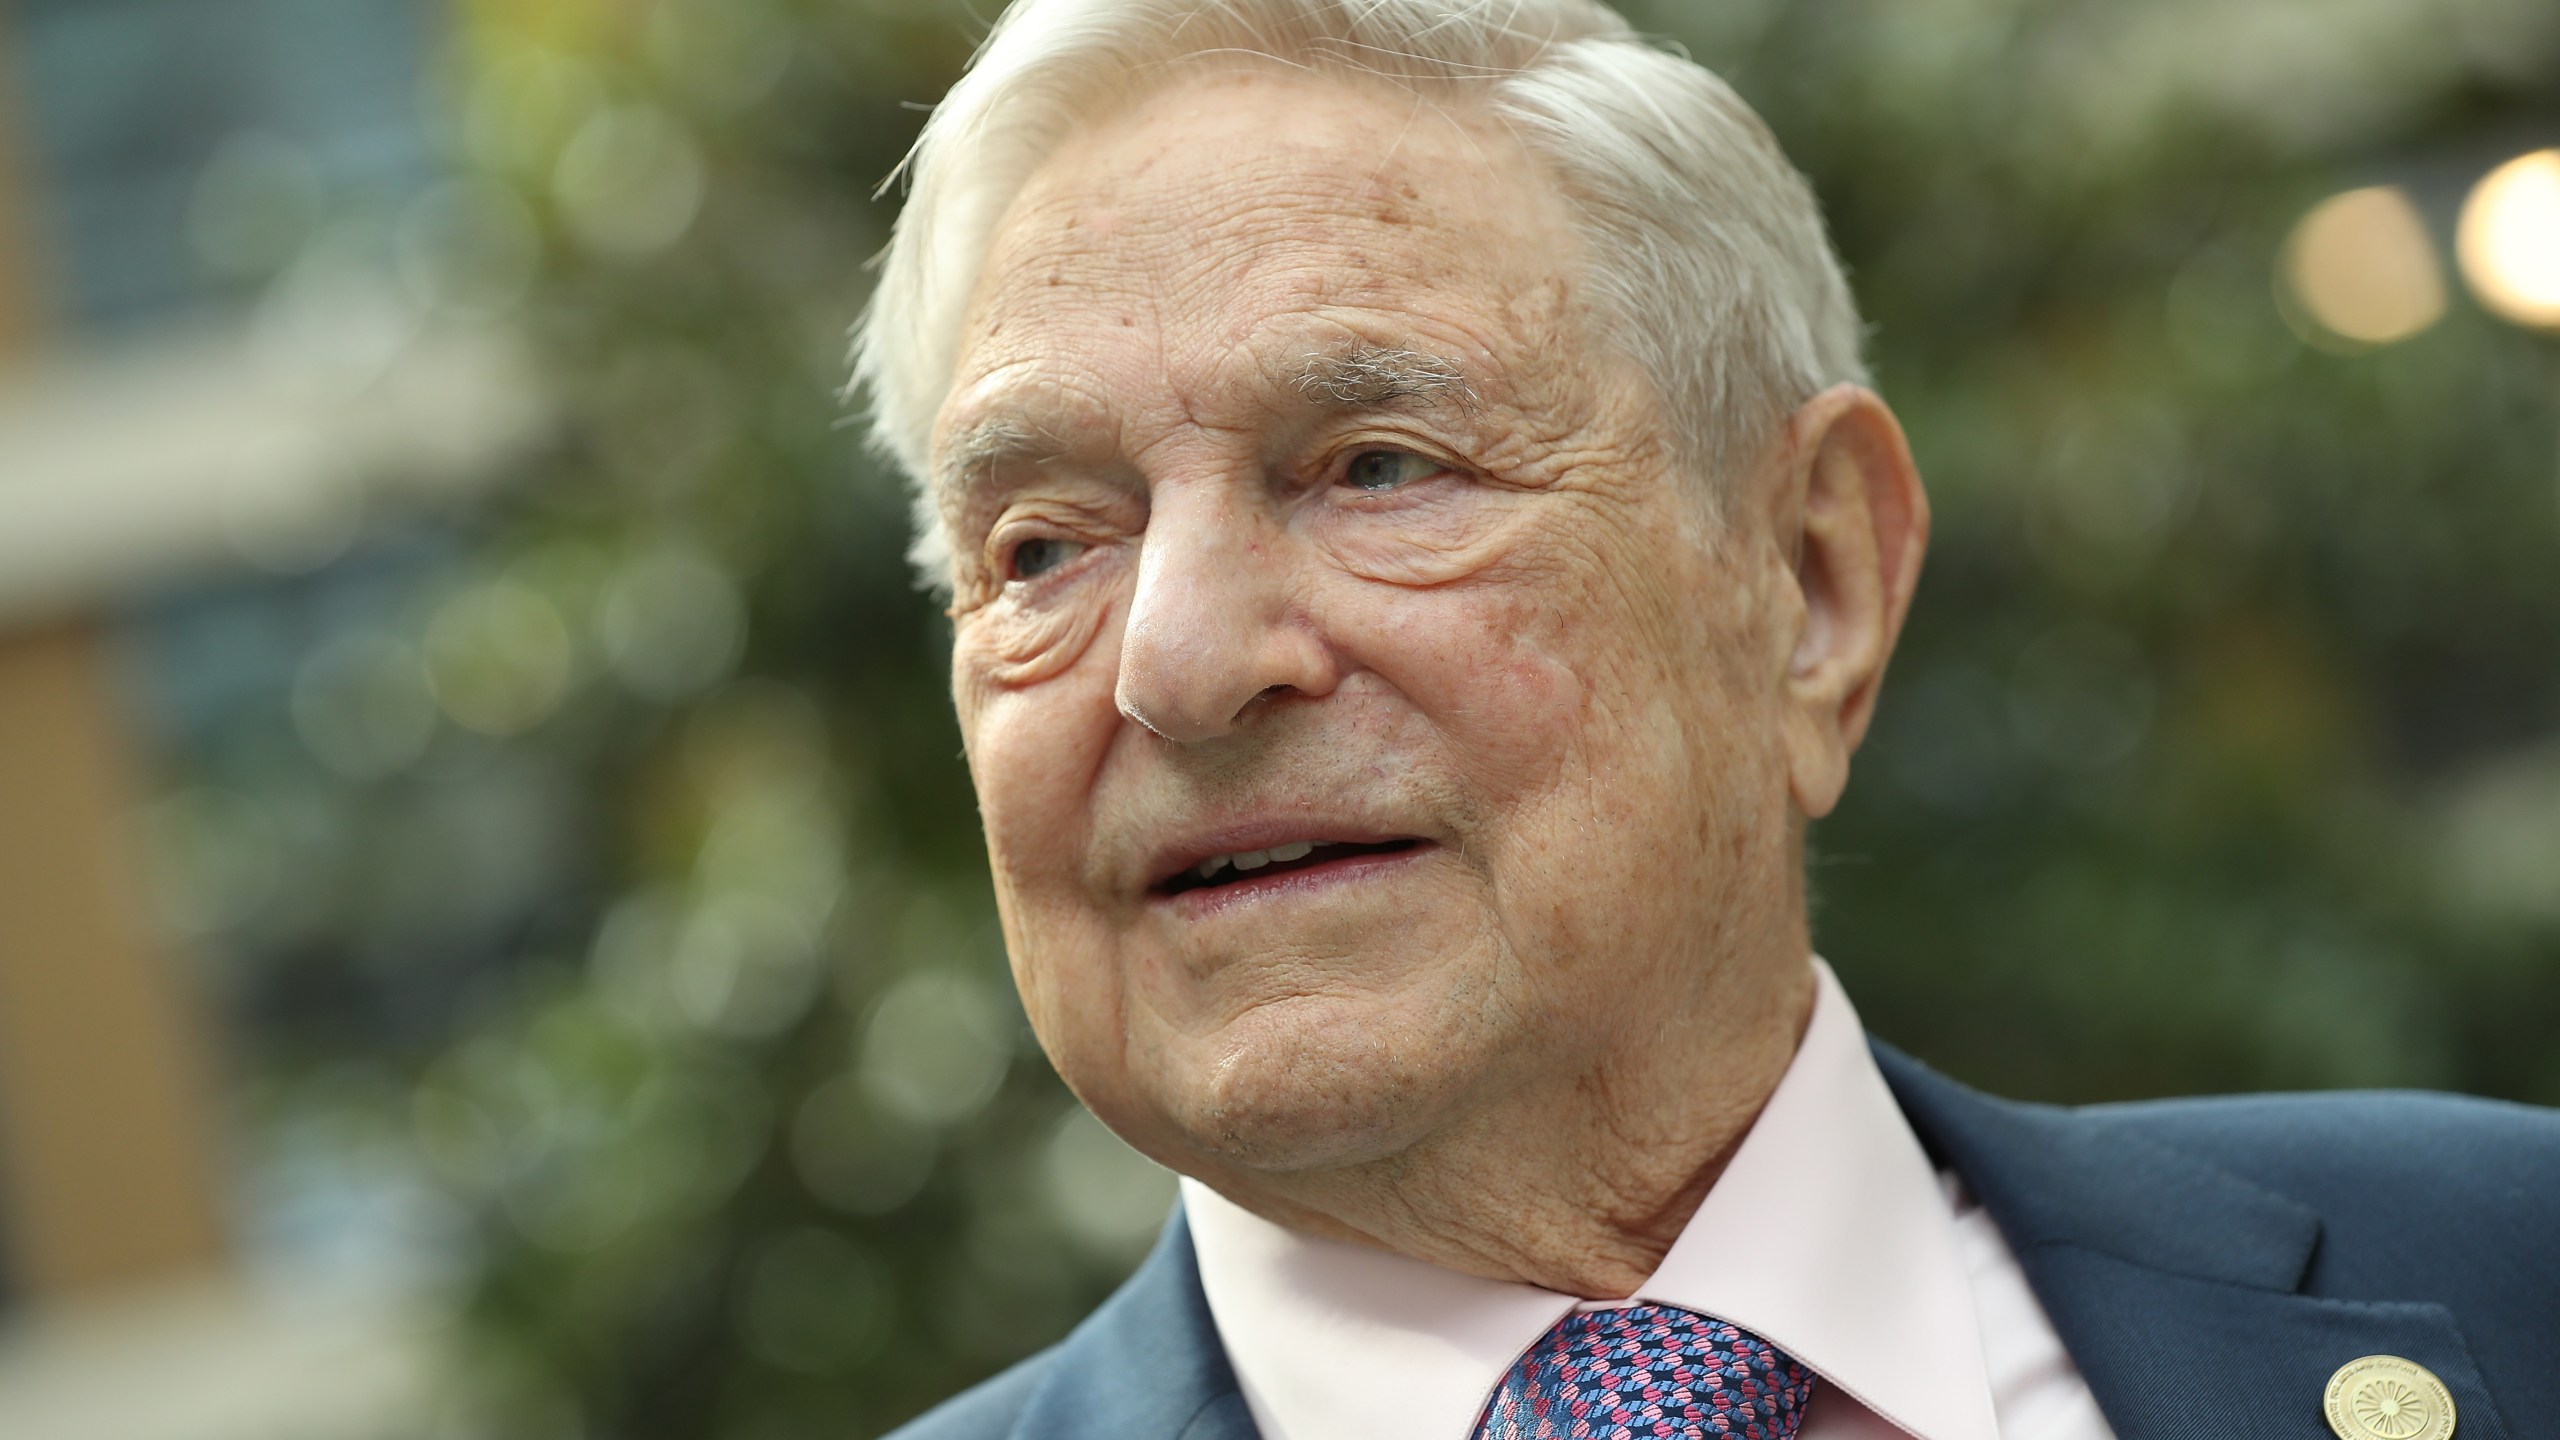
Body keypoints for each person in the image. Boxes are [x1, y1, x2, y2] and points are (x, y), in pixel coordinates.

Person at [851, 2, 2560, 1437]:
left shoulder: (2513, 1268)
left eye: (1377, 467)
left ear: (1810, 581)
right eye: (1046, 545)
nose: (1180, 657)